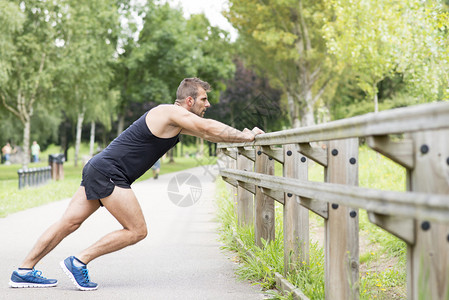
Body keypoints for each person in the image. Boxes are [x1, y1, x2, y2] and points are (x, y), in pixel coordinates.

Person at [9, 77, 264, 291]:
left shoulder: (175, 121)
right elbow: (207, 127)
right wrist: (244, 136)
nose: (208, 104)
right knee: (137, 230)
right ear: (189, 101)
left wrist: (245, 135)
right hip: (111, 172)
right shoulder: (170, 111)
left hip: (100, 167)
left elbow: (209, 133)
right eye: (203, 99)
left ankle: (23, 271)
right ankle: (79, 261)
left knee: (69, 223)